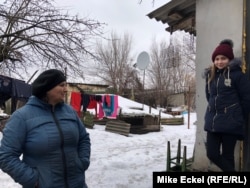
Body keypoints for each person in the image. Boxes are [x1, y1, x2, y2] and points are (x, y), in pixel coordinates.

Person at [0, 69, 91, 188]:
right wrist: (34, 181)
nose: (65, 89)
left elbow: (84, 139)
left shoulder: (70, 112)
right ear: (47, 88)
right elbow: (6, 156)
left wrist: (82, 162)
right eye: (61, 85)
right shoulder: (22, 117)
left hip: (77, 184)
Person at [204, 39, 250, 172]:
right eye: (217, 59)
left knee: (228, 156)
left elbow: (246, 99)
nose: (219, 61)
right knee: (212, 154)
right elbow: (209, 97)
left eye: (223, 58)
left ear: (229, 59)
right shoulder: (210, 76)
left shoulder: (238, 75)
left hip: (231, 122)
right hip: (213, 121)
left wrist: (237, 115)